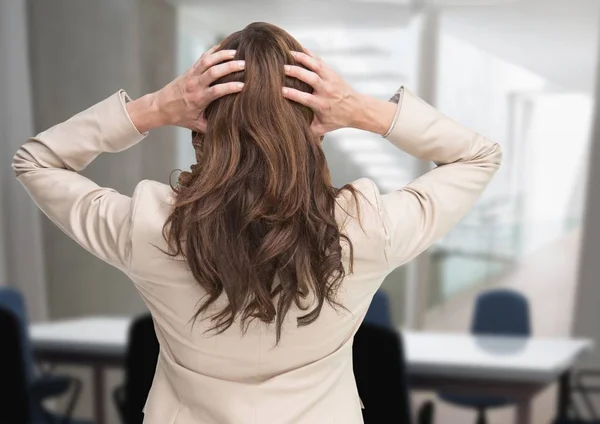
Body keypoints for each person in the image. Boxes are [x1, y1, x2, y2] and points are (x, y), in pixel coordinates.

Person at [12, 22, 501, 424]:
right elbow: (478, 157)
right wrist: (361, 110)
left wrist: (156, 107)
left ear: (203, 120)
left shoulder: (151, 226)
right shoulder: (366, 228)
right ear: (312, 119)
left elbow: (36, 161)